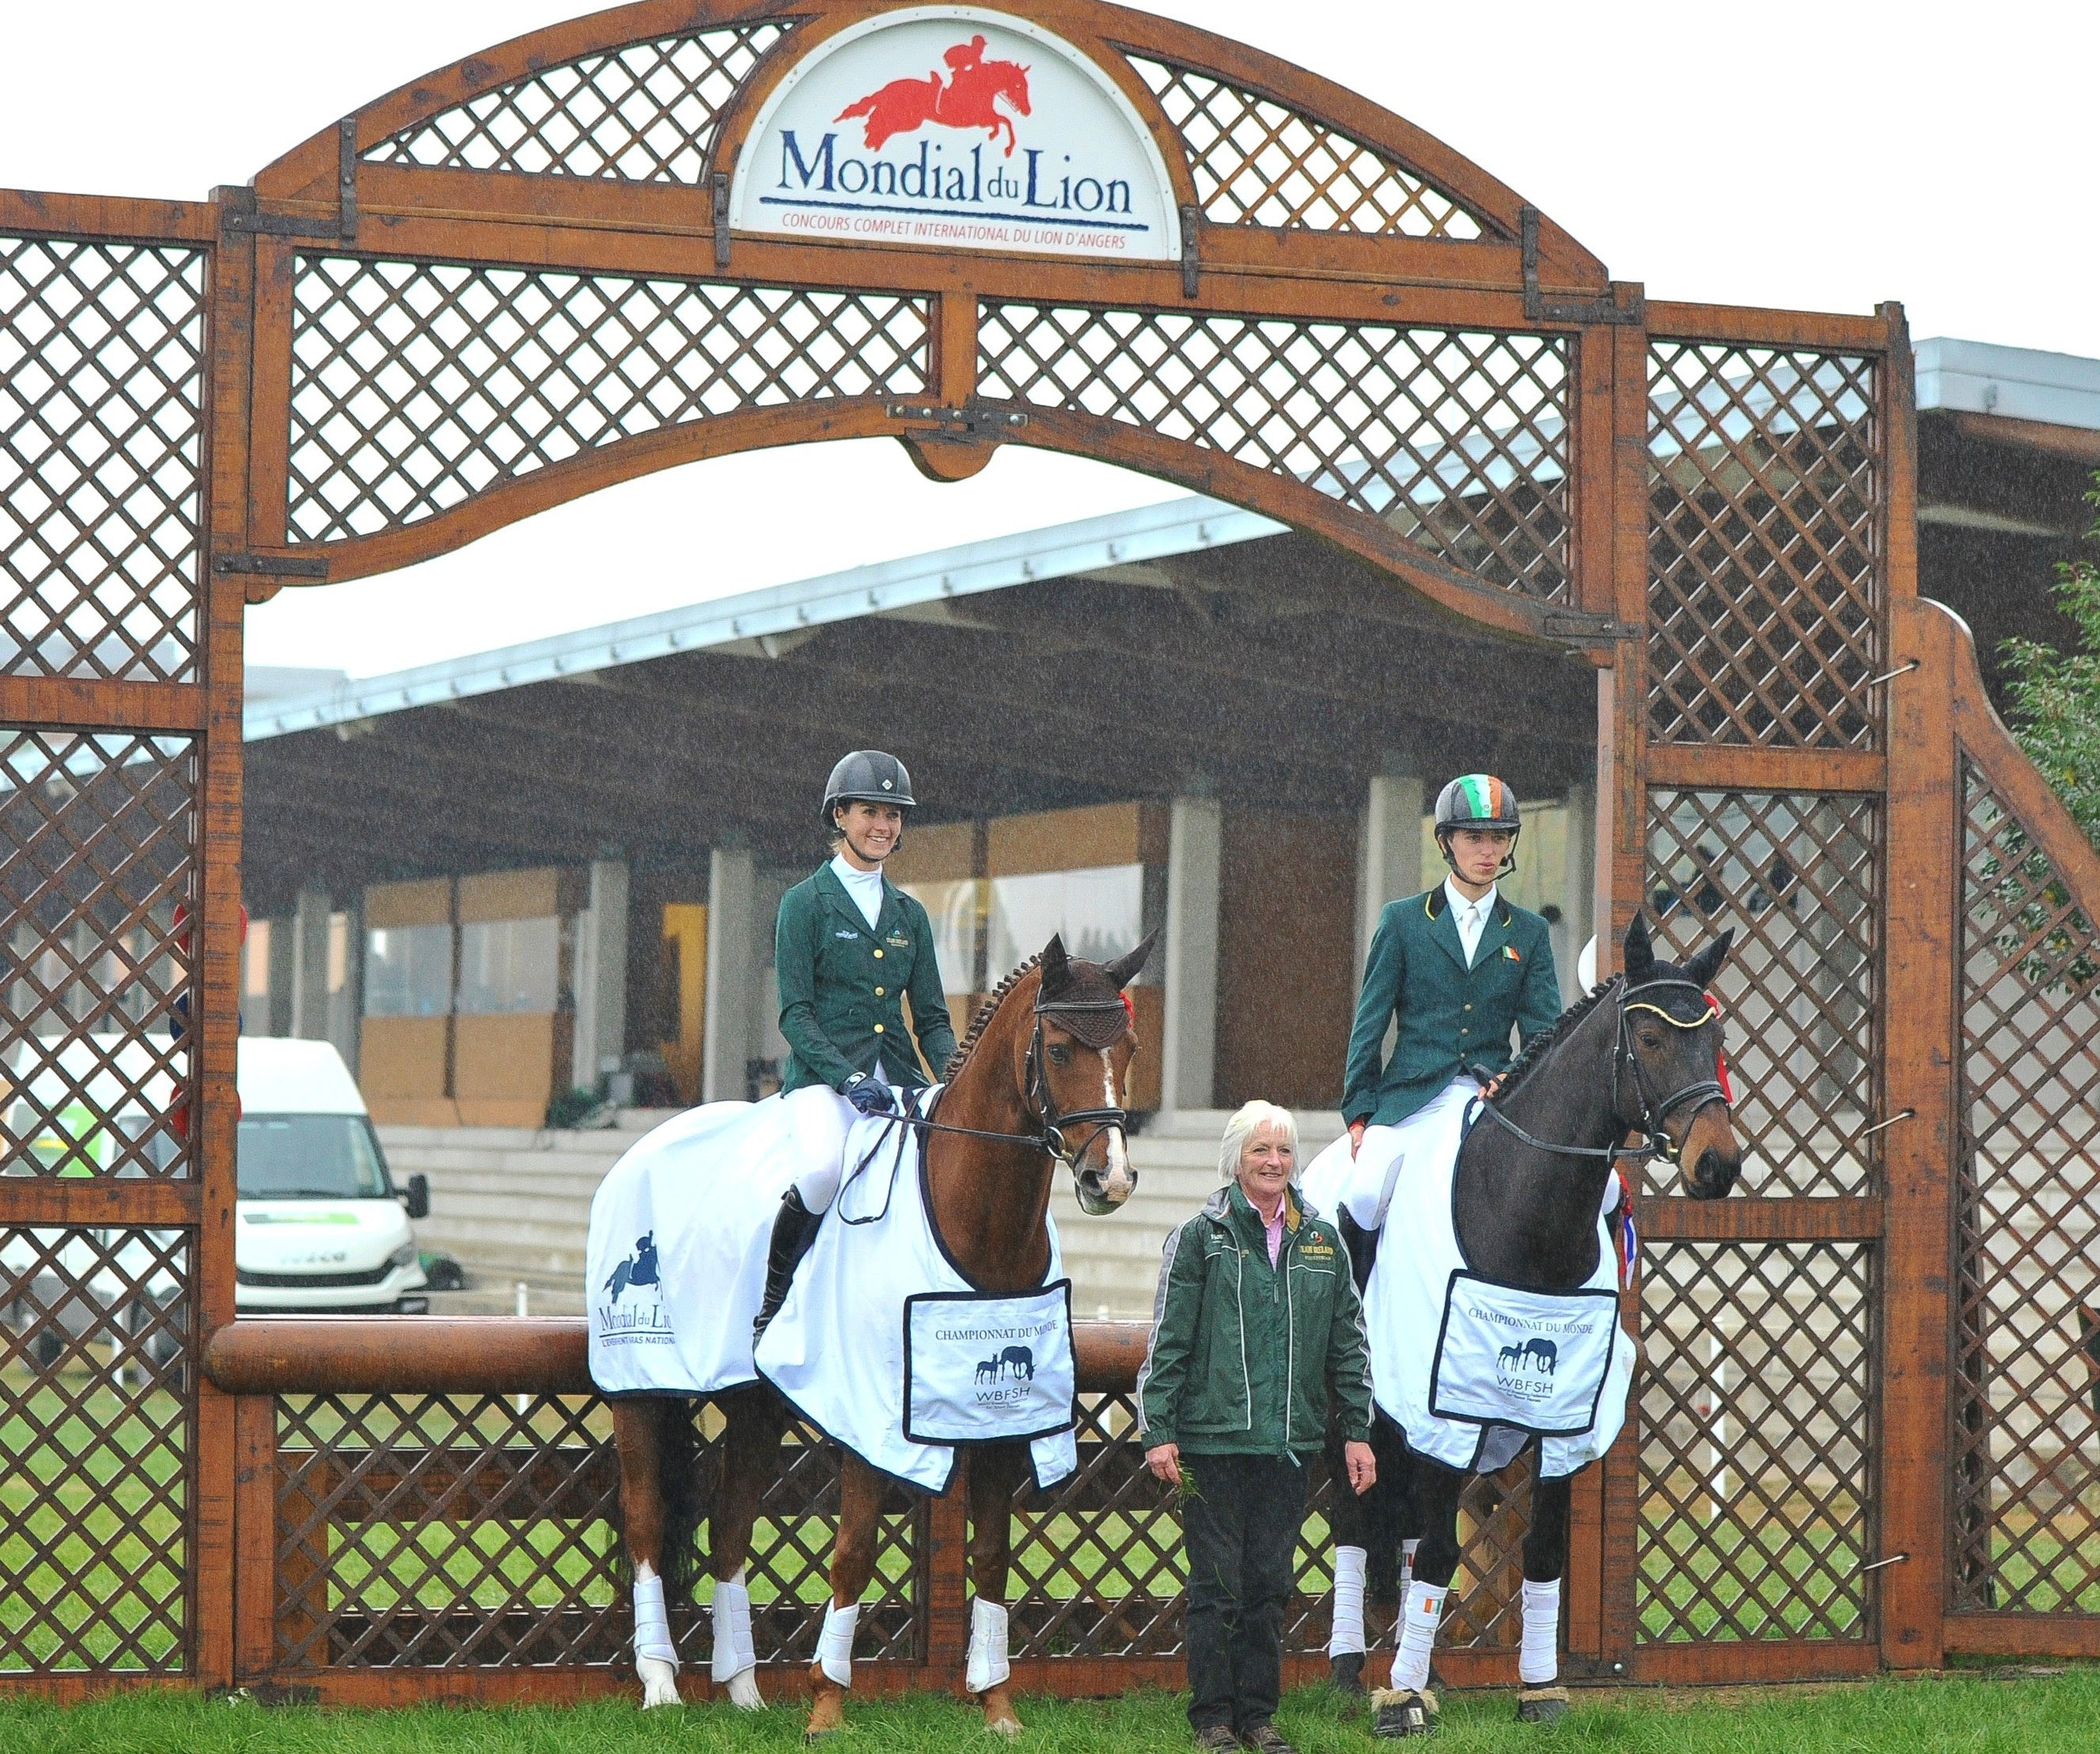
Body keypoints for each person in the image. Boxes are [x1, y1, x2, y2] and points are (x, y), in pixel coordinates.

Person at [1305, 771, 1562, 1693]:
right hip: (1413, 1099)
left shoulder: (1526, 933)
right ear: (1445, 844)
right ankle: (1352, 1322)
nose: (1488, 851)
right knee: (1360, 1194)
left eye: (1500, 839)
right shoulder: (1401, 920)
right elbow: (1371, 1018)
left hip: (1491, 1103)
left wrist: (1514, 1078)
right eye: (1474, 838)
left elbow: (1544, 1030)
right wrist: (1360, 1109)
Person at [1137, 1101, 1378, 1754]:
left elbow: (1348, 1347)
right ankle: (1213, 1720)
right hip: (1213, 1444)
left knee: (1270, 1587)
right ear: (1236, 1158)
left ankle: (1259, 1718)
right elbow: (1170, 1341)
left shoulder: (1322, 1240)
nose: (1274, 1161)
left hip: (1287, 1445)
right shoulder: (1200, 1236)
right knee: (1216, 1588)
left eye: (1283, 1150)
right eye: (1259, 1150)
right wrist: (1157, 1426)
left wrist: (1356, 1429)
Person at [752, 749, 958, 1335]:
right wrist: (847, 1079)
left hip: (898, 1076)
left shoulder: (909, 914)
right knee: (820, 1170)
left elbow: (933, 1021)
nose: (883, 826)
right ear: (840, 815)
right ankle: (774, 1305)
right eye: (871, 811)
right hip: (823, 1081)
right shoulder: (803, 903)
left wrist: (954, 1081)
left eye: (893, 815)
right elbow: (795, 1015)